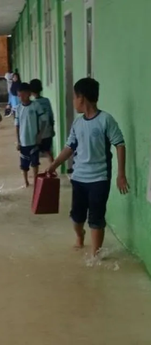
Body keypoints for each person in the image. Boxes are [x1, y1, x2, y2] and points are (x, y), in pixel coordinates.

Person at [47, 78, 129, 256]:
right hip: (79, 178)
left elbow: (120, 144)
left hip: (100, 178)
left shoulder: (106, 120)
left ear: (81, 98)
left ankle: (95, 254)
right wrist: (54, 165)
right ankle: (80, 235)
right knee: (77, 217)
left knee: (96, 217)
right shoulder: (77, 123)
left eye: (74, 98)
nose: (74, 102)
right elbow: (69, 148)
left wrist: (121, 174)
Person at [15, 83, 46, 187]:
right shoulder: (18, 108)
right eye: (19, 95)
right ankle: (26, 182)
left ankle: (36, 181)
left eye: (23, 95)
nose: (21, 97)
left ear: (29, 94)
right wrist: (18, 141)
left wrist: (40, 135)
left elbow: (43, 121)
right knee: (24, 164)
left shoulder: (36, 105)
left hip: (34, 140)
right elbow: (17, 126)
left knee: (35, 162)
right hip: (23, 141)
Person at [30, 79, 55, 163]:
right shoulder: (46, 101)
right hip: (47, 130)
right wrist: (52, 128)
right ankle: (52, 170)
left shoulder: (33, 104)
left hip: (37, 133)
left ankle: (36, 173)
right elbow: (51, 116)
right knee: (48, 152)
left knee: (35, 153)